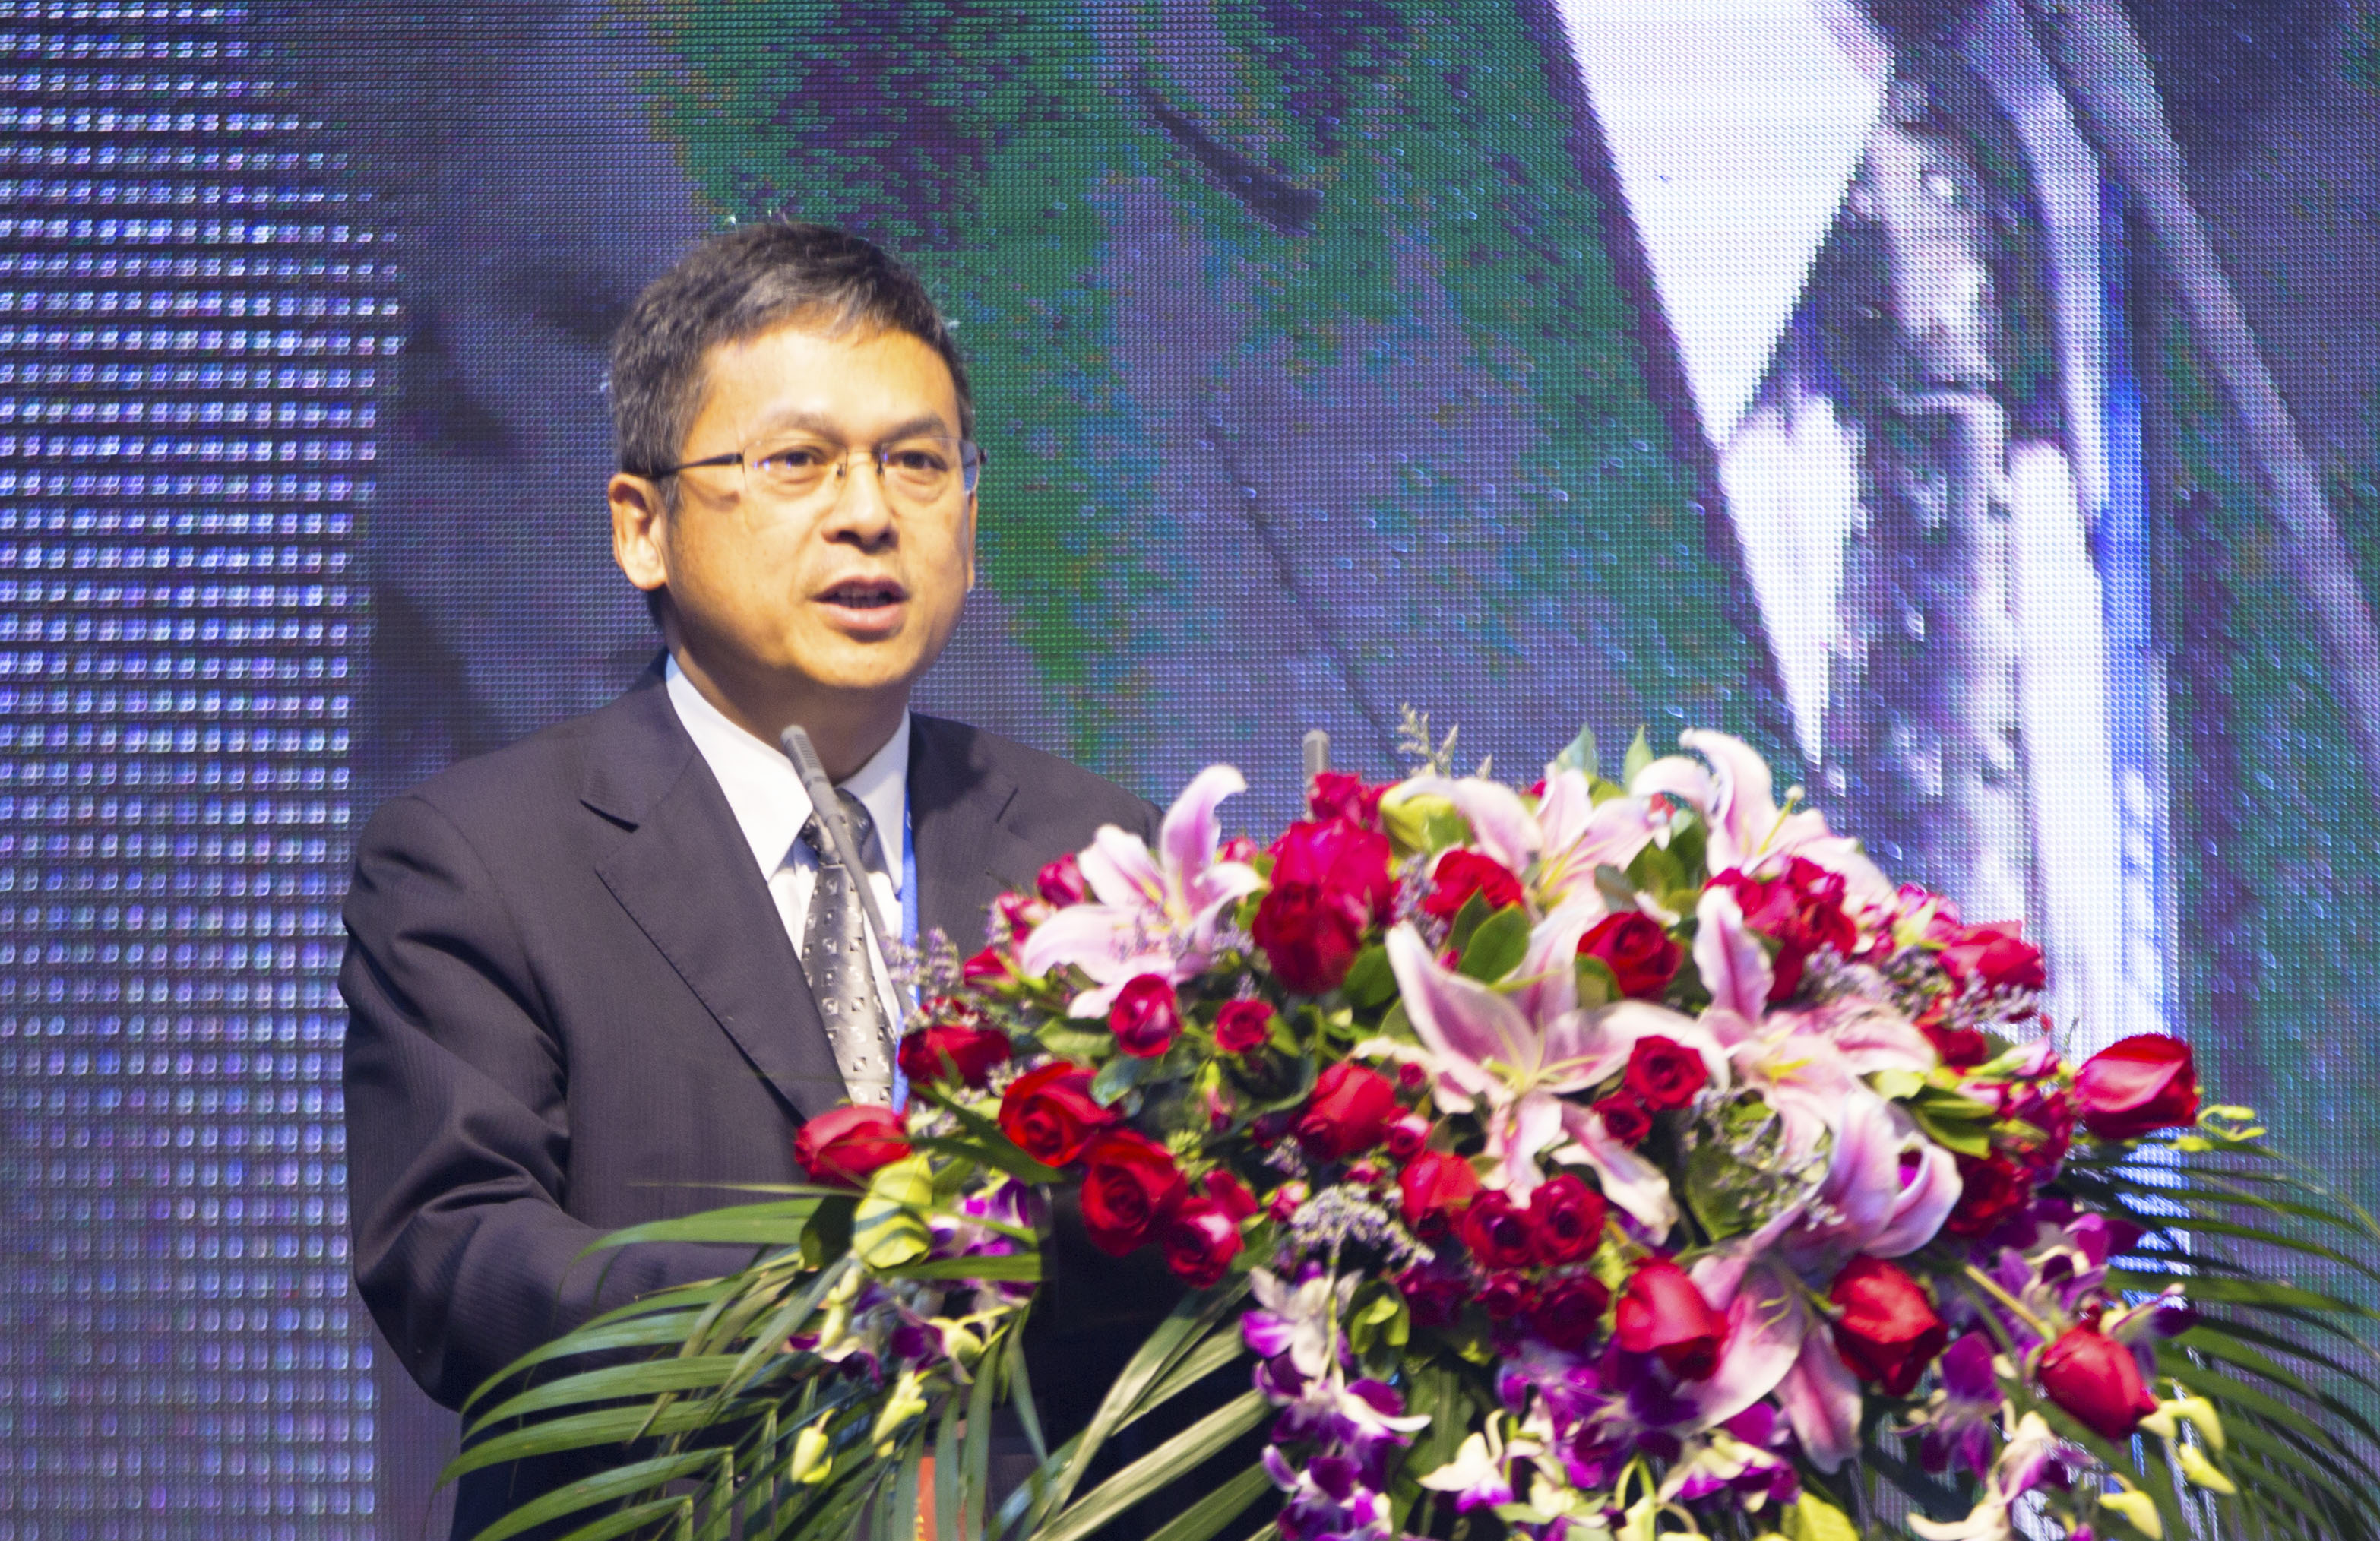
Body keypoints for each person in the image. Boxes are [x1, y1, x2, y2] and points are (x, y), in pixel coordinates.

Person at [340, 222, 1161, 1537]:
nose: (868, 513)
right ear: (643, 528)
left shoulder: (1103, 854)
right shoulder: (481, 858)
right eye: (796, 461)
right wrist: (855, 1304)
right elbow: (457, 1256)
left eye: (918, 463)